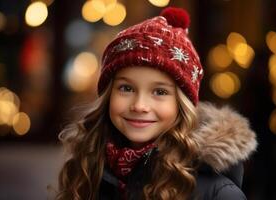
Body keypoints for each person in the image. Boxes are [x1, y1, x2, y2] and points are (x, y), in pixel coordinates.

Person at [56, 7, 257, 200]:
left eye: (160, 92)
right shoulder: (88, 170)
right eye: (126, 88)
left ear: (181, 105)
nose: (139, 105)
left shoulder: (217, 193)